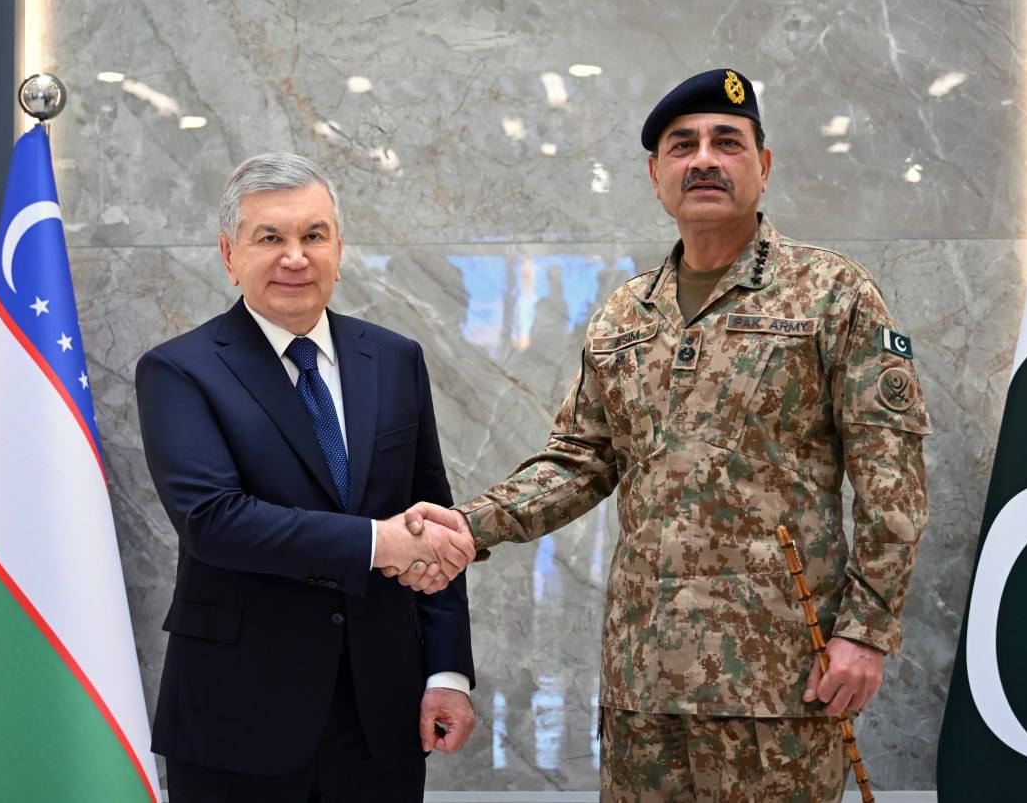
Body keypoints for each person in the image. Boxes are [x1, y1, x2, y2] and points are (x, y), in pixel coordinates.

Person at [395, 69, 931, 801]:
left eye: (727, 142)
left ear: (764, 166)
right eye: (683, 145)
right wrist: (468, 524)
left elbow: (891, 484)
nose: (704, 159)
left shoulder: (833, 294)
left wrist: (865, 631)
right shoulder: (626, 314)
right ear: (656, 176)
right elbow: (580, 461)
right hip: (643, 683)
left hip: (780, 681)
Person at [135, 153, 478, 802]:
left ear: (338, 250)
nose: (295, 257)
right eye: (270, 237)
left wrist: (448, 673)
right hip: (238, 718)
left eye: (313, 235)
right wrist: (377, 543)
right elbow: (214, 520)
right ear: (229, 254)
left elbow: (431, 515)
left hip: (381, 720)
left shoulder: (395, 359)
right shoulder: (179, 370)